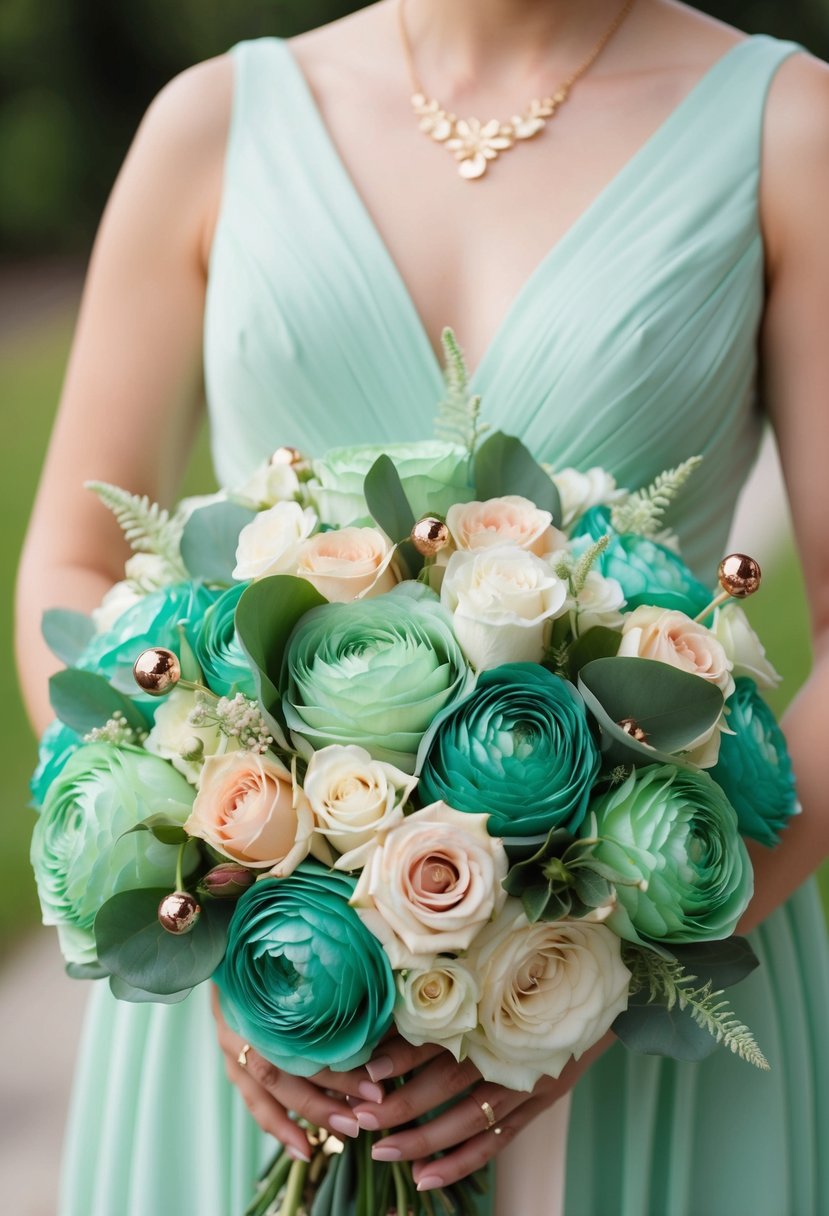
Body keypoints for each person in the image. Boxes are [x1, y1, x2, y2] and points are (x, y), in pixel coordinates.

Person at [15, 0, 829, 1212]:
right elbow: (72, 564)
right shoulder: (212, 123)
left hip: (639, 1024)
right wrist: (201, 913)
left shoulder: (791, 130)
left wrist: (589, 977)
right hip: (259, 1004)